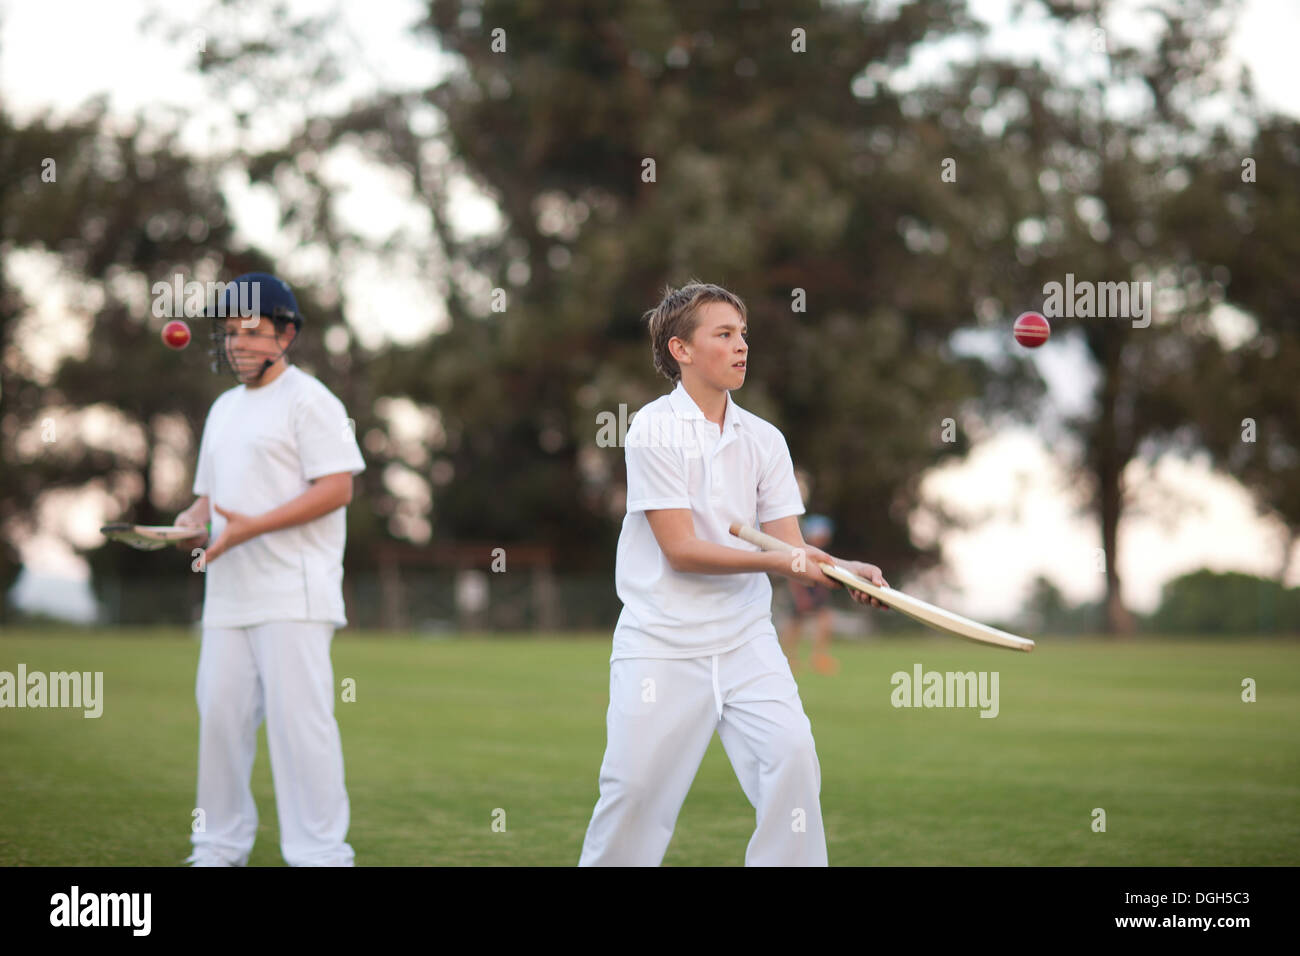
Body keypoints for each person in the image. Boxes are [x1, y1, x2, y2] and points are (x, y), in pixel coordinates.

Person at [578, 281, 889, 867]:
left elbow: (790, 548)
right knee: (634, 795)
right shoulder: (652, 429)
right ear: (682, 350)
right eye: (724, 334)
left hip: (746, 639)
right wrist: (780, 561)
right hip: (661, 644)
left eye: (743, 334)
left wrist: (842, 572)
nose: (742, 346)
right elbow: (682, 550)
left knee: (793, 760)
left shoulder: (766, 439)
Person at [172, 272, 365, 867]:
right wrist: (186, 524)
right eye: (229, 333)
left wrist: (252, 526)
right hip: (228, 595)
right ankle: (218, 847)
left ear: (285, 334)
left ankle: (320, 855)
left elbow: (337, 489)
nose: (237, 343)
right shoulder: (223, 408)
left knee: (299, 731)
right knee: (220, 726)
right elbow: (207, 503)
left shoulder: (312, 400)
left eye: (251, 331)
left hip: (294, 595)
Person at [781, 514, 840, 675]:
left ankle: (819, 657)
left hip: (816, 591)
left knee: (825, 621)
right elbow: (793, 575)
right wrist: (800, 596)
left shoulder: (822, 552)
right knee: (794, 627)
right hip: (802, 591)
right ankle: (788, 658)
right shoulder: (801, 551)